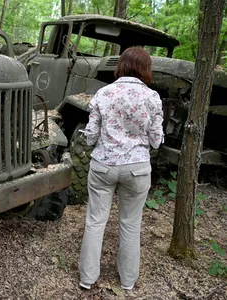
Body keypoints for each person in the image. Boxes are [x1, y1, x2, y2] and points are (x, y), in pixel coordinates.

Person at [78, 46, 164, 291]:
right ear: (145, 69)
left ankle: (87, 278)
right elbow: (157, 140)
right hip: (137, 168)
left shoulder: (103, 93)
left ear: (121, 66)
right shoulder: (152, 97)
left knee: (95, 221)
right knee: (130, 223)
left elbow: (91, 135)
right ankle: (127, 282)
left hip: (104, 165)